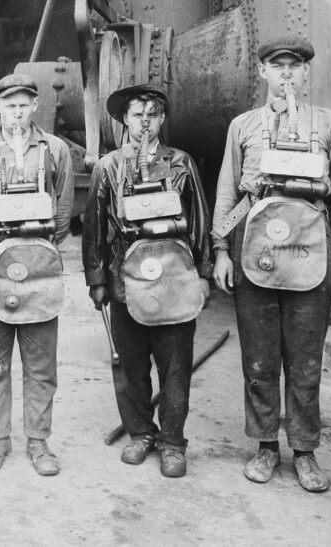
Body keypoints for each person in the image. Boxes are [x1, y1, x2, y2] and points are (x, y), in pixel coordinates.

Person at [212, 34, 331, 492]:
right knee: (259, 359)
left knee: (305, 361)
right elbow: (227, 191)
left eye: (294, 67)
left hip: (312, 256)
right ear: (262, 73)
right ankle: (264, 446)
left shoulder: (330, 125)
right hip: (255, 256)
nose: (286, 75)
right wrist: (220, 252)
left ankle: (304, 451)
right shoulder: (243, 126)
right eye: (277, 67)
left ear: (306, 72)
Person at [82, 84, 212, 478]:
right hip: (125, 280)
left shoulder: (182, 164)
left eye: (152, 115)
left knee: (175, 366)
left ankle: (173, 442)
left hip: (175, 278)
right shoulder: (108, 167)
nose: (145, 123)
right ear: (124, 120)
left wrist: (203, 274)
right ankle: (140, 433)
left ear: (162, 120)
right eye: (137, 115)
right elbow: (95, 227)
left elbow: (201, 220)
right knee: (130, 365)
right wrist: (97, 280)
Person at [0, 73, 74, 476]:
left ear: (35, 107)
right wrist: (1, 247)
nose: (17, 113)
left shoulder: (55, 150)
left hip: (40, 261)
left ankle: (39, 441)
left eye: (24, 104)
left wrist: (37, 248)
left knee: (40, 358)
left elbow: (64, 211)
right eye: (9, 106)